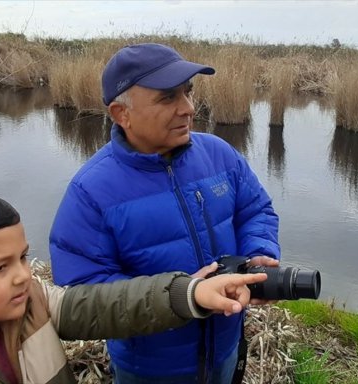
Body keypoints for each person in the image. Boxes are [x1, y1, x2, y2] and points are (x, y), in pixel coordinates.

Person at [49, 43, 280, 383]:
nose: (188, 108)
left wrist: (258, 256)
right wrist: (182, 298)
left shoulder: (219, 155)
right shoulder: (92, 192)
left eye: (188, 92)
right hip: (150, 370)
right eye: (168, 98)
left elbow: (255, 210)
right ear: (120, 114)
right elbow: (85, 294)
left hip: (226, 349)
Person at [0, 191, 268, 384]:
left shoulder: (34, 301)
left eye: (23, 258)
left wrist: (191, 294)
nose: (22, 276)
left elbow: (107, 305)